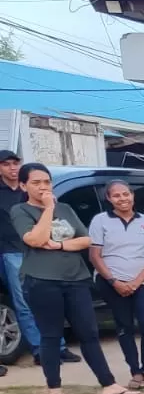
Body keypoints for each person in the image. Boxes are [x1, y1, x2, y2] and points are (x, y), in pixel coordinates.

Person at [10, 164, 137, 394]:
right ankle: (54, 388)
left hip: (76, 278)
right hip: (42, 279)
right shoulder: (21, 210)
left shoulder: (65, 208)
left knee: (89, 332)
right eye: (36, 183)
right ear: (24, 185)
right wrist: (48, 209)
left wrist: (60, 245)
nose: (43, 187)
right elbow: (34, 239)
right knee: (51, 334)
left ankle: (108, 383)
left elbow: (87, 238)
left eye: (47, 182)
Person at [87, 180, 144, 388]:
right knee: (125, 325)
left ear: (133, 195)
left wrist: (136, 282)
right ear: (109, 199)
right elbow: (95, 256)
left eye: (126, 194)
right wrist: (114, 281)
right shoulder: (100, 220)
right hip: (111, 282)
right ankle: (136, 372)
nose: (122, 199)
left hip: (143, 281)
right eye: (116, 196)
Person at [0, 148, 72, 372]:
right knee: (24, 302)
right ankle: (40, 349)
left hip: (42, 248)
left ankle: (58, 347)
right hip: (12, 251)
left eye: (15, 163)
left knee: (49, 299)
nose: (12, 168)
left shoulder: (33, 189)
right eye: (6, 164)